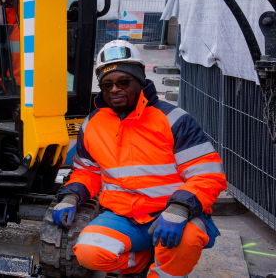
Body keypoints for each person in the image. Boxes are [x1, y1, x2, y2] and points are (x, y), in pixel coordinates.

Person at [52, 40, 226, 278]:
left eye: (123, 82)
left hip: (171, 215)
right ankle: (142, 261)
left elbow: (207, 174)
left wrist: (179, 208)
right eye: (107, 84)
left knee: (187, 240)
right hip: (123, 217)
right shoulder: (93, 124)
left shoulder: (174, 119)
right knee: (88, 253)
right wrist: (71, 196)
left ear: (140, 80)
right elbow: (87, 172)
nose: (115, 89)